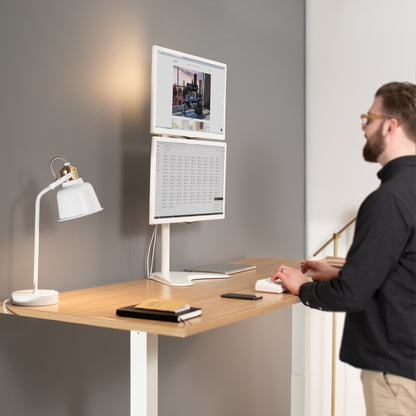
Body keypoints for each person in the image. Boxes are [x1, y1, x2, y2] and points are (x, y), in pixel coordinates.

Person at [272, 81, 416, 416]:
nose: (364, 128)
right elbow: (403, 271)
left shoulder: (388, 200)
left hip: (395, 376)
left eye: (369, 117)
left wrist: (304, 288)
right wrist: (339, 272)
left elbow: (352, 295)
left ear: (391, 125)